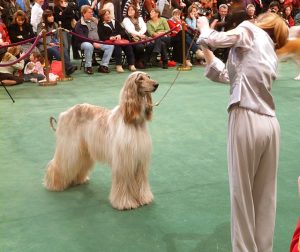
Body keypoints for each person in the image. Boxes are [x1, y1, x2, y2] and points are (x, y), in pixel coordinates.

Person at [197, 12, 289, 252]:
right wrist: (206, 48)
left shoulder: (248, 29)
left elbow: (214, 38)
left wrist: (204, 27)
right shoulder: (269, 49)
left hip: (245, 117)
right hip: (270, 124)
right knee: (265, 197)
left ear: (263, 20)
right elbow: (230, 77)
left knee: (242, 196)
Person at [74, 5, 114, 75]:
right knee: (88, 46)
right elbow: (82, 37)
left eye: (92, 12)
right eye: (89, 12)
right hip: (83, 43)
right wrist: (93, 43)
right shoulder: (79, 24)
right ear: (84, 13)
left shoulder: (95, 21)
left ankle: (103, 65)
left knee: (110, 46)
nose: (91, 14)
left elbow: (100, 14)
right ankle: (88, 66)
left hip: (98, 42)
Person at [37, 9, 77, 76]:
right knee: (55, 51)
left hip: (55, 43)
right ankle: (68, 67)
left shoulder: (55, 24)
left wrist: (58, 42)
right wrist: (48, 43)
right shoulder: (41, 25)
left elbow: (58, 35)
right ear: (45, 18)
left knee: (64, 49)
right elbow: (39, 38)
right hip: (45, 46)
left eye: (52, 15)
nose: (52, 17)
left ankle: (68, 67)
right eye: (49, 16)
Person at [98, 8, 136, 73]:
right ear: (102, 17)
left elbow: (122, 31)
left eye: (108, 14)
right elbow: (102, 36)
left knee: (128, 46)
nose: (108, 16)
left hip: (120, 40)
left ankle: (131, 64)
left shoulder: (115, 21)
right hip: (110, 41)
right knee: (117, 47)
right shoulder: (100, 25)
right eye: (106, 15)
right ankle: (119, 65)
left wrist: (119, 35)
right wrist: (110, 38)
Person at [122, 4, 152, 69]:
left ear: (135, 11)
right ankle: (137, 61)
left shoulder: (140, 18)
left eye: (132, 10)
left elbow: (144, 27)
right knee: (140, 46)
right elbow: (129, 30)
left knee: (151, 45)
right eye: (129, 10)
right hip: (132, 38)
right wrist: (139, 35)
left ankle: (143, 60)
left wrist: (140, 35)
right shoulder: (126, 19)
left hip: (142, 36)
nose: (130, 11)